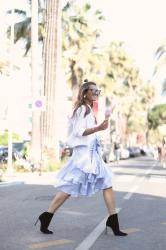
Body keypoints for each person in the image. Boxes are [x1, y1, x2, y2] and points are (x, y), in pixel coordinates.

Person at [35, 79, 127, 236]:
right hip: (84, 158)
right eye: (94, 90)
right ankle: (46, 216)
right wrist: (98, 128)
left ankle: (113, 221)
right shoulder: (82, 110)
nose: (96, 93)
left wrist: (99, 131)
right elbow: (79, 131)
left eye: (98, 91)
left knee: (107, 183)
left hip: (92, 155)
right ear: (85, 93)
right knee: (69, 188)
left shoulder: (89, 110)